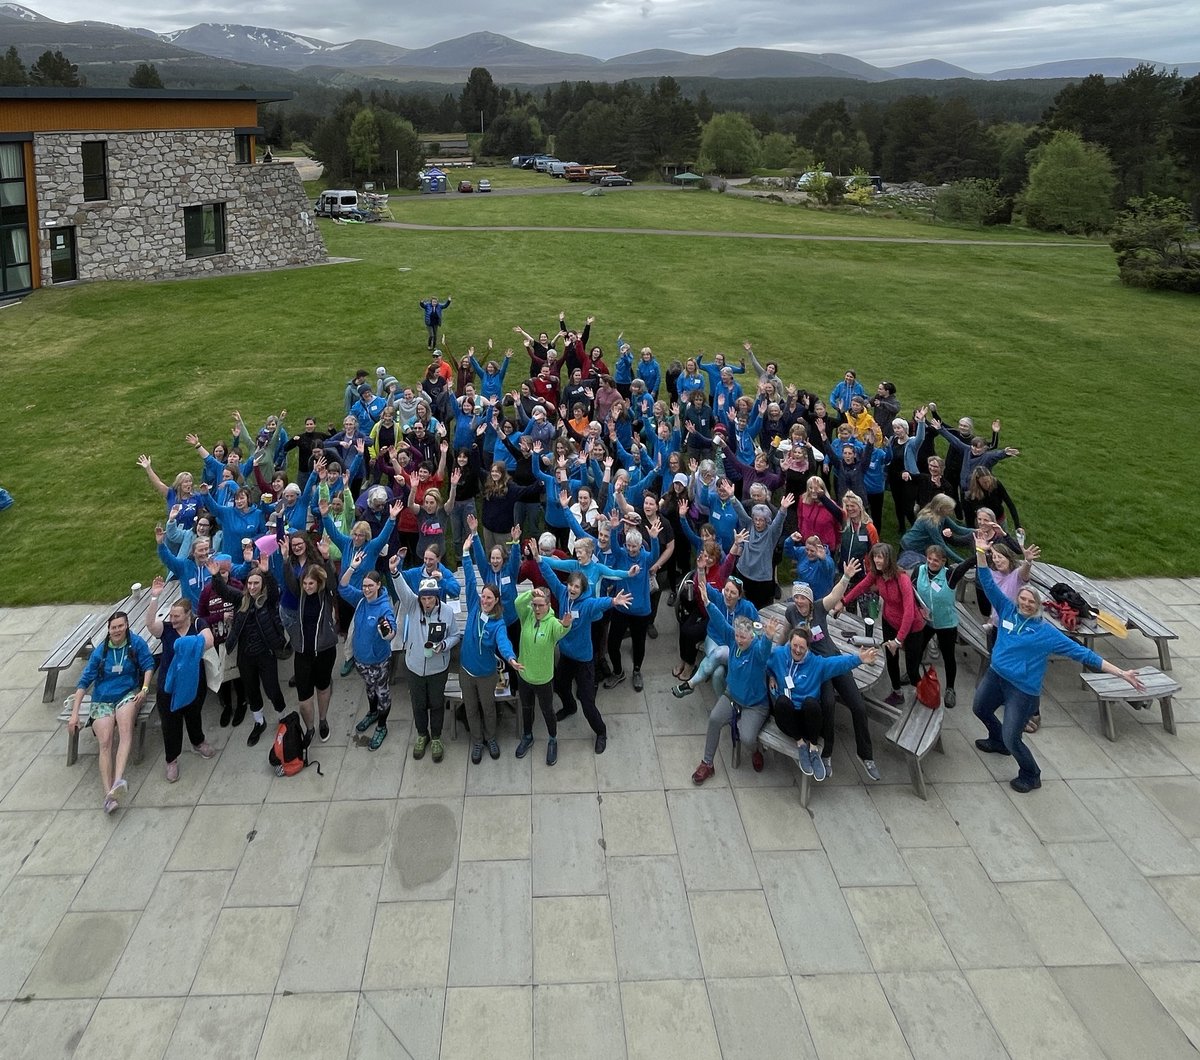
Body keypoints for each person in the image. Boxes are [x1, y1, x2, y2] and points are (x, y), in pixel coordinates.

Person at [969, 530, 1145, 793]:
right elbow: (987, 580)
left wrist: (1121, 673)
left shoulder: (1047, 633)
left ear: (1038, 606)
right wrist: (981, 551)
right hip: (996, 676)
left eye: (1031, 601)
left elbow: (1084, 654)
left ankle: (1031, 774)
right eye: (1024, 599)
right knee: (980, 709)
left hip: (1021, 689)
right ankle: (997, 741)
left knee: (1013, 736)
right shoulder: (1007, 610)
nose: (1026, 603)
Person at [783, 561, 880, 781]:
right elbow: (787, 635)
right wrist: (774, 648)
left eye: (803, 597)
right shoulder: (791, 612)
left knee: (858, 705)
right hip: (818, 668)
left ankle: (866, 756)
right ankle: (826, 753)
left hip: (834, 660)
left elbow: (834, 596)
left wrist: (845, 578)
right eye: (796, 597)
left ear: (809, 599)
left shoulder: (818, 607)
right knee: (827, 706)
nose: (799, 601)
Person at [69, 611, 156, 813]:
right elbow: (84, 682)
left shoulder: (136, 644)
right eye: (113, 627)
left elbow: (148, 665)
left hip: (127, 693)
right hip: (102, 699)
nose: (117, 630)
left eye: (120, 626)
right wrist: (75, 714)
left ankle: (118, 780)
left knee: (125, 729)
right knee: (105, 741)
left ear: (126, 626)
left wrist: (144, 689)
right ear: (109, 629)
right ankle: (109, 795)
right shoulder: (101, 652)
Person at [768, 628, 879, 780]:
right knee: (781, 702)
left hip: (809, 722)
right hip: (788, 722)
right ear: (789, 643)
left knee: (811, 703)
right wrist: (771, 676)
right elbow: (762, 660)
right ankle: (800, 745)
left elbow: (839, 663)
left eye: (802, 647)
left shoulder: (817, 664)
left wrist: (859, 658)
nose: (798, 650)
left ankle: (813, 749)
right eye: (795, 645)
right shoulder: (779, 654)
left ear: (808, 647)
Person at [690, 607, 783, 786]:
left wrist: (769, 637)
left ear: (752, 637)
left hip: (755, 704)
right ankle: (707, 763)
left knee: (747, 737)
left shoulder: (757, 650)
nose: (739, 640)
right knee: (714, 719)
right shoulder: (733, 642)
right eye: (737, 636)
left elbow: (765, 652)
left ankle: (755, 751)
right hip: (732, 696)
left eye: (743, 637)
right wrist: (708, 602)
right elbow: (720, 621)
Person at [210, 559, 289, 747]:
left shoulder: (268, 601)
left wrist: (267, 573)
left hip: (266, 654)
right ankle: (259, 721)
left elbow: (275, 590)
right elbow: (223, 590)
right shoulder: (241, 600)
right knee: (251, 690)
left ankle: (282, 717)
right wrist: (215, 576)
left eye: (256, 583)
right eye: (250, 583)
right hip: (245, 656)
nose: (252, 587)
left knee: (272, 689)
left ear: (262, 586)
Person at [390, 558, 462, 763]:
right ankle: (422, 734)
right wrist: (394, 572)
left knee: (437, 703)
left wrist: (444, 646)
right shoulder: (413, 606)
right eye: (424, 598)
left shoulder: (447, 612)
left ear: (437, 597)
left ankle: (437, 737)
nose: (427, 602)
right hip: (414, 667)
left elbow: (455, 635)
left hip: (438, 668)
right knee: (418, 703)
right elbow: (402, 589)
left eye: (431, 598)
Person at [459, 537, 523, 763]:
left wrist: (511, 658)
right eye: (483, 596)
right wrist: (466, 554)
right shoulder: (475, 605)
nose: (484, 600)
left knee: (488, 709)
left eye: (489, 598)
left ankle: (491, 738)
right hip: (466, 672)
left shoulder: (498, 623)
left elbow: (504, 642)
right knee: (471, 709)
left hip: (486, 674)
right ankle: (477, 741)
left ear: (496, 601)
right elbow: (469, 579)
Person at [145, 583, 216, 782]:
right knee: (170, 724)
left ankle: (198, 742)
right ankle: (172, 760)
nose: (172, 619)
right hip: (170, 686)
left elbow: (209, 641)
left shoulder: (198, 625)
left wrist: (183, 644)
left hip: (194, 683)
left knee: (194, 716)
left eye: (176, 616)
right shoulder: (166, 629)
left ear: (187, 615)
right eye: (171, 616)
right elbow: (151, 625)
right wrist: (154, 598)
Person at [840, 542, 925, 707]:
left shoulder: (902, 579)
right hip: (889, 621)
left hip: (912, 627)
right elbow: (861, 587)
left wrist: (899, 641)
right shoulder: (876, 574)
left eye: (881, 557)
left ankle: (922, 693)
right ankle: (897, 692)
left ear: (889, 559)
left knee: (912, 667)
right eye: (875, 557)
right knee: (891, 659)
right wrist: (843, 601)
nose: (877, 560)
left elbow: (910, 612)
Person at [338, 552, 398, 749]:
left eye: (370, 586)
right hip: (361, 661)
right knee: (370, 690)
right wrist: (352, 567)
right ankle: (372, 713)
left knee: (382, 695)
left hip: (378, 661)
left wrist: (386, 633)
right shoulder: (361, 599)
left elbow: (391, 632)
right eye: (364, 586)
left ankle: (382, 726)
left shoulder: (383, 607)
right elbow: (343, 586)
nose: (366, 589)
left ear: (379, 585)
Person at [512, 586, 573, 764]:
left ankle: (552, 739)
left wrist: (567, 624)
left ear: (548, 605)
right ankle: (527, 736)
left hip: (543, 680)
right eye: (535, 605)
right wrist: (531, 593)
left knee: (547, 711)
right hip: (524, 676)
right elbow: (517, 602)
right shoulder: (527, 616)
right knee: (526, 708)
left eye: (540, 605)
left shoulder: (553, 623)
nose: (537, 609)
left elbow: (561, 631)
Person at [283, 555, 339, 742]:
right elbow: (289, 580)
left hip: (325, 651)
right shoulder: (300, 595)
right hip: (303, 653)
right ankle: (310, 728)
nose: (307, 587)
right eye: (305, 583)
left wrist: (326, 558)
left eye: (311, 584)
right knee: (304, 701)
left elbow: (332, 580)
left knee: (323, 689)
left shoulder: (327, 595)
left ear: (318, 583)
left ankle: (323, 721)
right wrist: (284, 558)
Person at [911, 545, 961, 708]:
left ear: (943, 561)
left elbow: (965, 566)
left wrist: (981, 552)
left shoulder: (949, 575)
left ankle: (950, 689)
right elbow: (911, 591)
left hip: (946, 624)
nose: (932, 562)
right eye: (929, 559)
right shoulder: (919, 571)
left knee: (948, 657)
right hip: (926, 621)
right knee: (918, 649)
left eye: (936, 560)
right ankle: (912, 674)